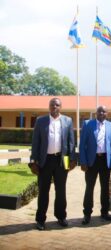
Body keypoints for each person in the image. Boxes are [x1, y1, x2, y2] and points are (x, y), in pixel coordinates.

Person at [29, 97, 76, 230]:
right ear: (49, 107)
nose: (54, 107)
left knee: (61, 190)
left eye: (57, 105)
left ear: (60, 107)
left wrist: (72, 160)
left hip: (63, 160)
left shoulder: (67, 121)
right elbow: (35, 143)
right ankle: (40, 220)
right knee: (43, 191)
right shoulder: (41, 121)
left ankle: (61, 217)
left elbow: (71, 143)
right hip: (45, 161)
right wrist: (33, 161)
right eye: (52, 105)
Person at [79, 106, 111, 225]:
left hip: (105, 161)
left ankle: (105, 212)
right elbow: (82, 145)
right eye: (99, 111)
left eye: (104, 111)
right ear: (96, 113)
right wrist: (83, 162)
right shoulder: (88, 124)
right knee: (89, 187)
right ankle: (87, 214)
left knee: (105, 188)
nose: (101, 113)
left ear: (107, 113)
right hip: (92, 161)